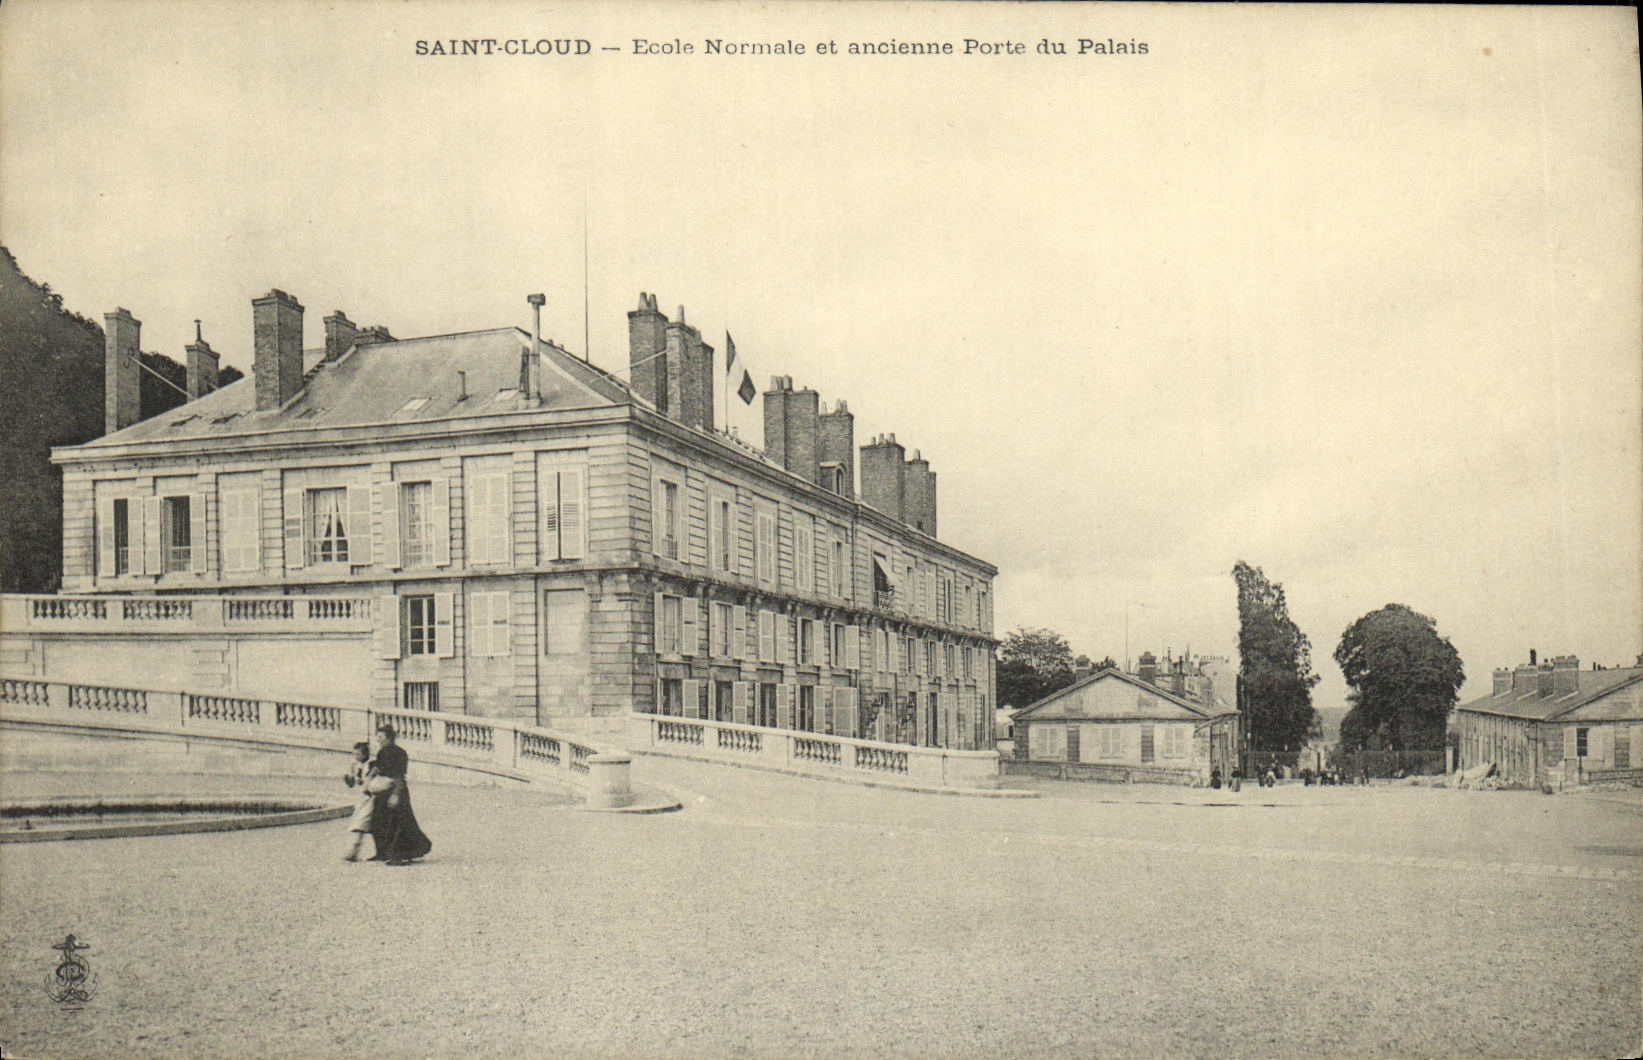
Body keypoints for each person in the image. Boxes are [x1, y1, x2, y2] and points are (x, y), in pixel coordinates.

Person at [365, 724, 432, 865]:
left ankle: (398, 856)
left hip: (396, 790)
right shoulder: (383, 752)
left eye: (380, 737)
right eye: (377, 736)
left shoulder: (397, 753)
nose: (378, 739)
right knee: (378, 821)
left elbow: (398, 775)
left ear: (389, 738)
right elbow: (378, 767)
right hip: (384, 791)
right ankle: (382, 852)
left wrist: (395, 795)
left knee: (397, 823)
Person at [342, 741, 377, 862]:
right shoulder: (354, 765)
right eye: (354, 754)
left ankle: (353, 851)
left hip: (370, 796)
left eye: (358, 754)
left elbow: (369, 781)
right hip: (361, 797)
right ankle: (354, 851)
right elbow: (352, 784)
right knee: (361, 823)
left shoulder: (372, 764)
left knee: (360, 823)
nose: (356, 757)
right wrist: (348, 780)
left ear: (365, 753)